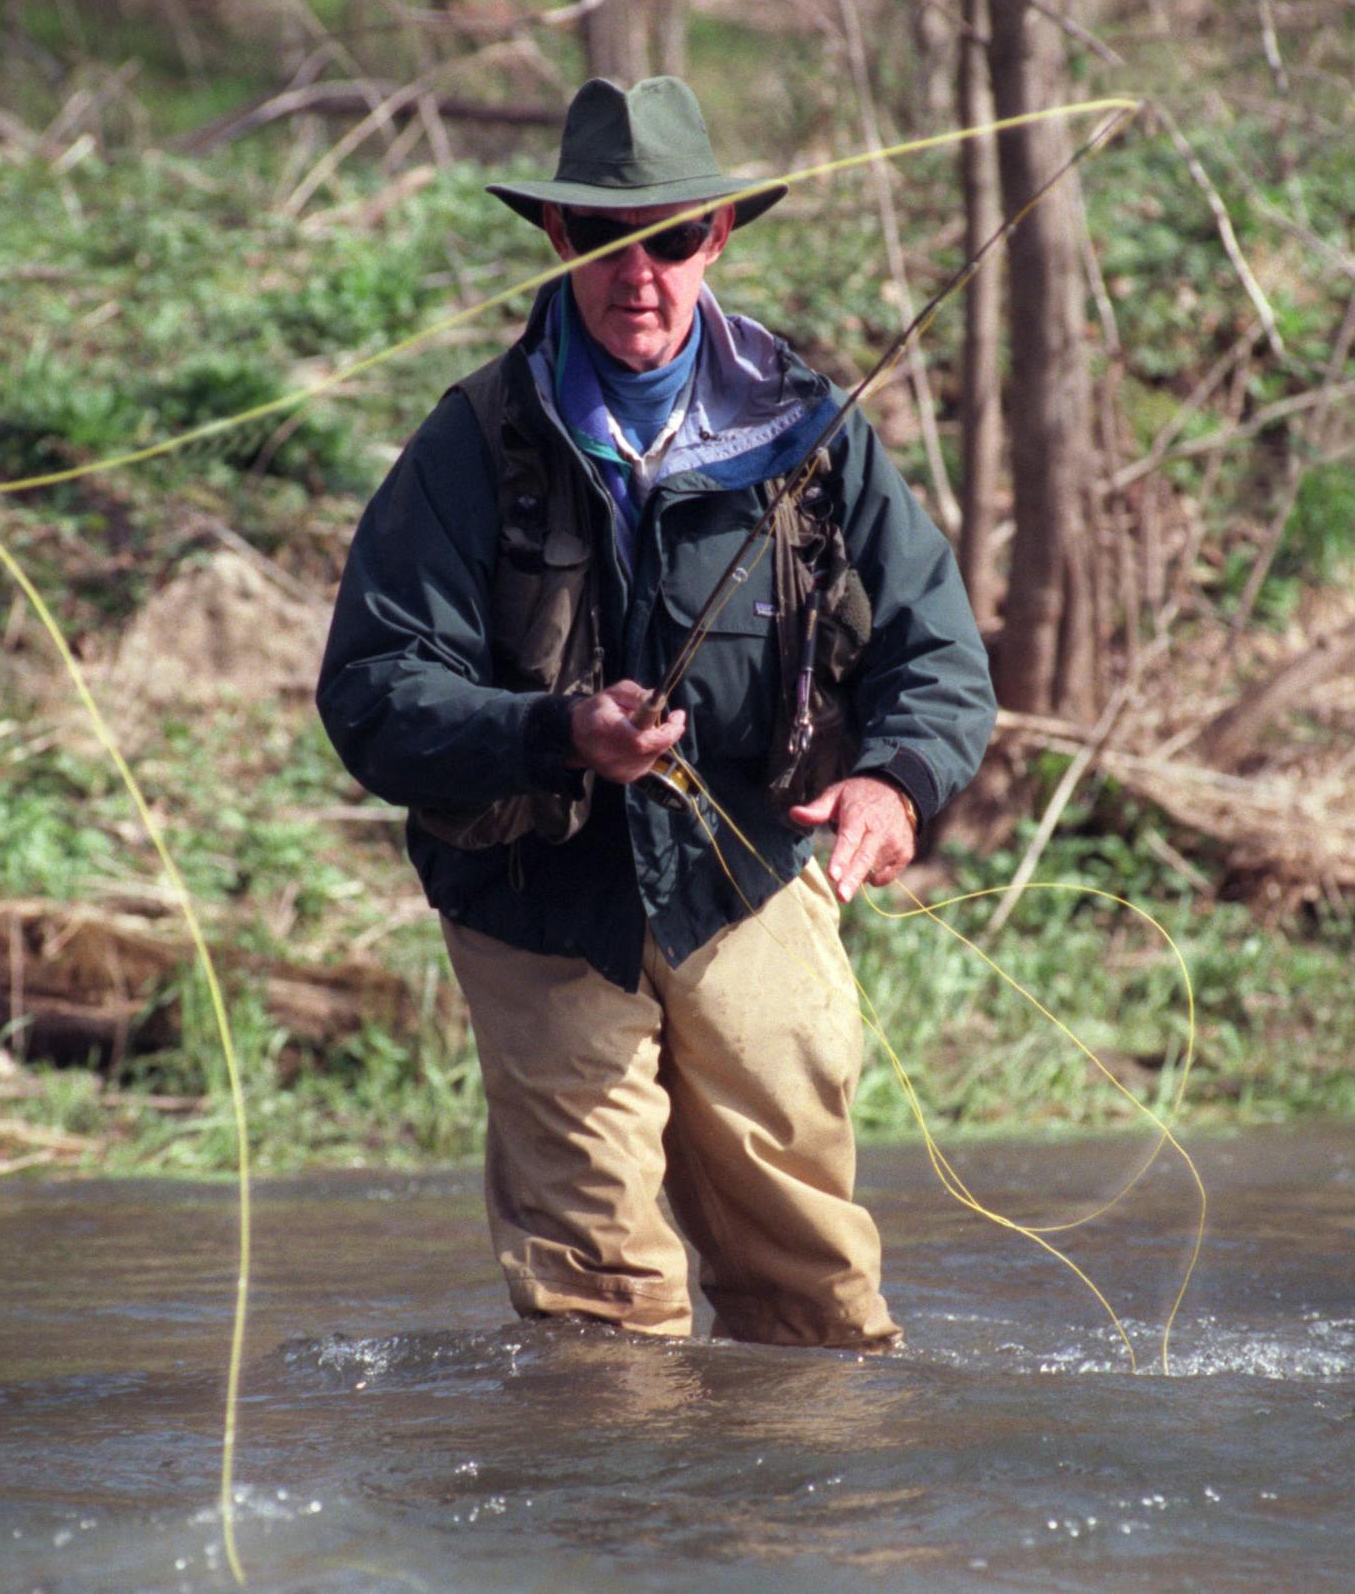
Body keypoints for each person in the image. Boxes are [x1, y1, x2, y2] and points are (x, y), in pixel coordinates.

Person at [317, 77, 995, 1349]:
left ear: (718, 236)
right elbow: (370, 690)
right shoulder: (472, 440)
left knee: (810, 1281)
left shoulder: (811, 430)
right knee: (600, 1295)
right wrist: (555, 731)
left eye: (673, 237)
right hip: (538, 896)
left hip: (750, 872)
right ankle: (617, 1531)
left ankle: (795, 1532)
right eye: (610, 241)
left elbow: (937, 650)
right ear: (560, 241)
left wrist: (894, 782)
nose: (644, 274)